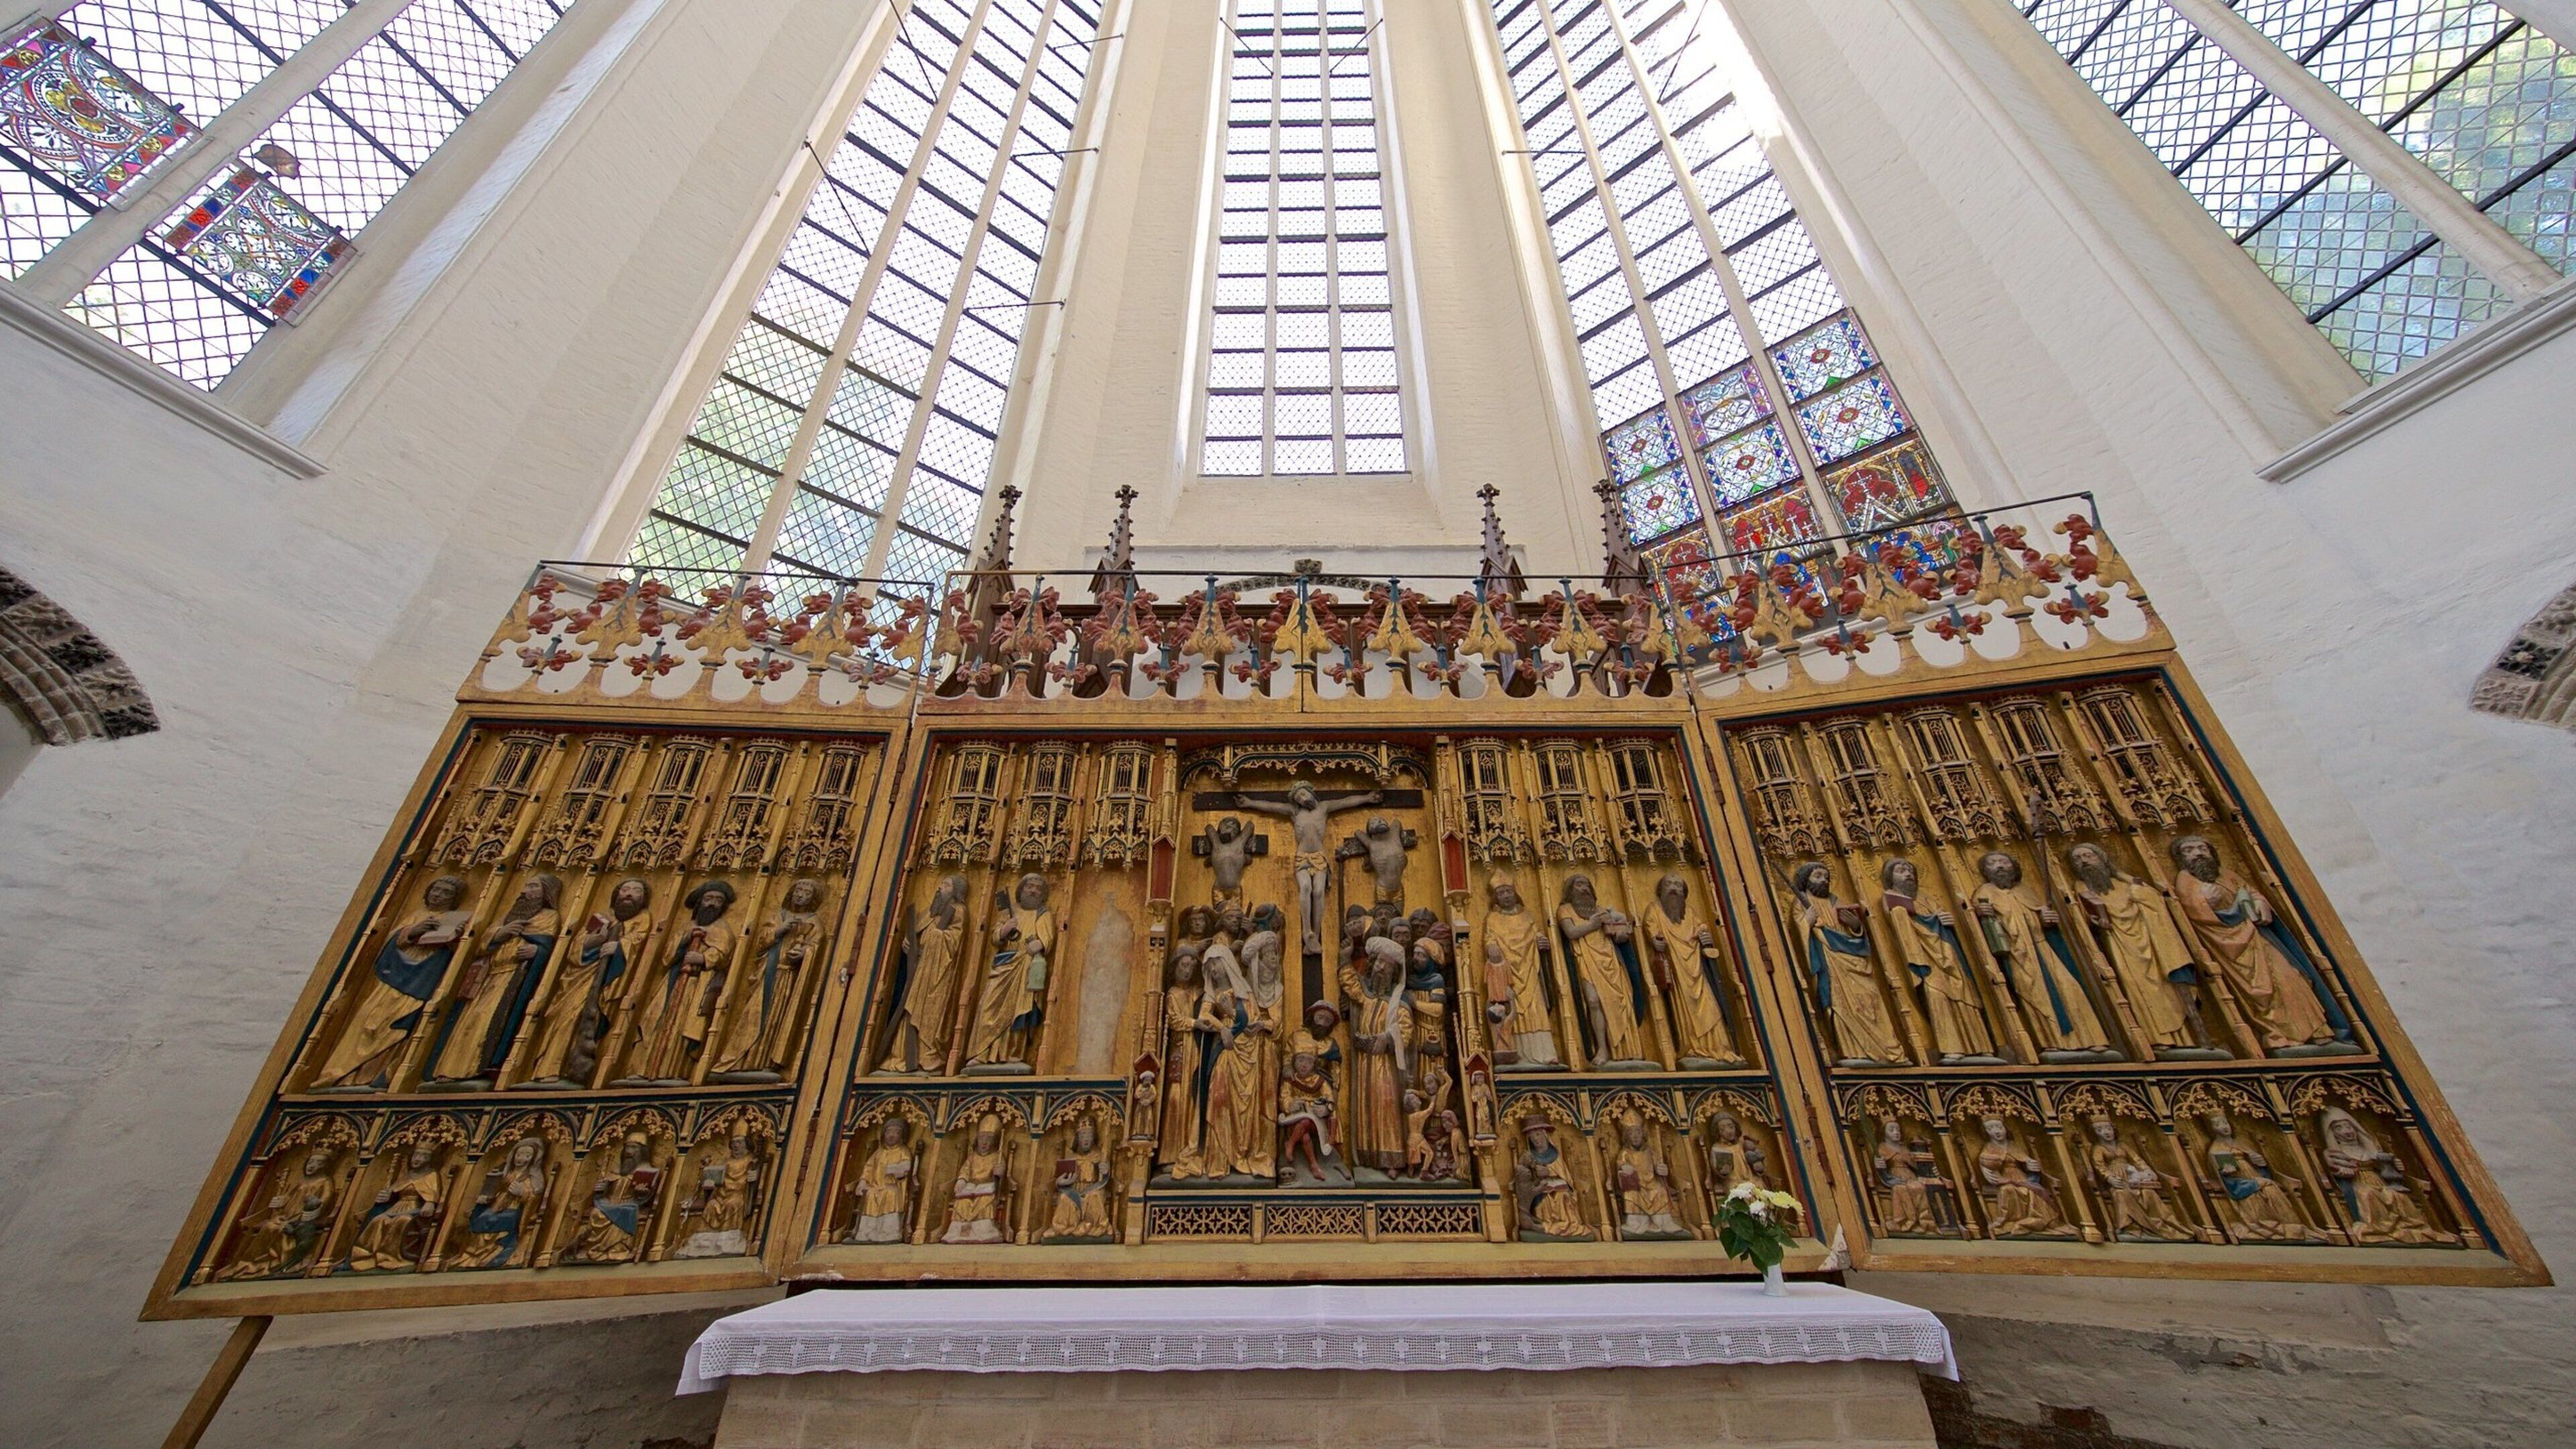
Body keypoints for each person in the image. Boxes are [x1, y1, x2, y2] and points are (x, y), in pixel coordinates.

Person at [315, 875, 471, 1089]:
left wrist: (455, 937)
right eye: (436, 889)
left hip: (421, 981)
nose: (438, 895)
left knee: (398, 1027)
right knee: (368, 1021)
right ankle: (341, 1075)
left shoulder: (455, 919)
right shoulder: (416, 915)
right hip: (393, 977)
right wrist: (413, 931)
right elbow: (386, 943)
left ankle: (377, 1076)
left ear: (455, 899)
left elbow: (460, 954)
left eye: (446, 893)